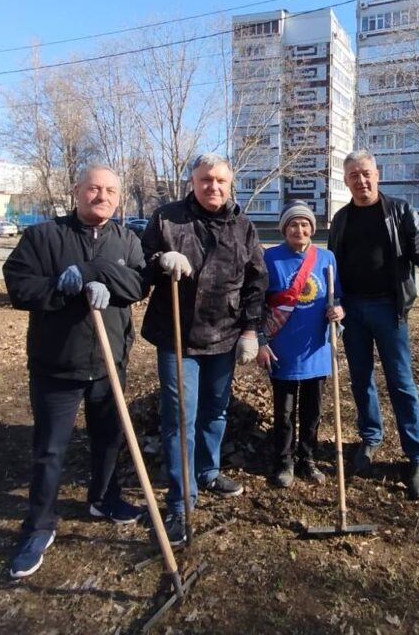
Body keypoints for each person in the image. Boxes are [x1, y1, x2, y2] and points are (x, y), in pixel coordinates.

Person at [2, 165, 149, 579]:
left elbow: (138, 285)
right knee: (50, 450)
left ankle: (103, 498)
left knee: (108, 440)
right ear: (77, 192)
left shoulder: (126, 239)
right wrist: (60, 288)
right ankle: (39, 526)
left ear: (118, 197)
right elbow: (19, 287)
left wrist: (94, 272)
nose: (101, 196)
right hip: (56, 365)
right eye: (93, 189)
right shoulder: (43, 237)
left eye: (110, 190)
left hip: (109, 363)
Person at [140, 153, 267, 544]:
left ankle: (207, 472)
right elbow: (139, 266)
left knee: (215, 411)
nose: (213, 186)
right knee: (180, 417)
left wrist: (250, 330)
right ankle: (180, 501)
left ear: (231, 184)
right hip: (178, 336)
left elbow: (256, 281)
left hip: (225, 334)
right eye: (205, 179)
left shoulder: (243, 226)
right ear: (192, 181)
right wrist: (161, 259)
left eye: (220, 181)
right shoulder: (167, 218)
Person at [327, 150, 419, 500]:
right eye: (354, 175)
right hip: (353, 310)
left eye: (366, 173)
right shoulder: (341, 219)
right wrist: (336, 302)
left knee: (401, 382)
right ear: (346, 181)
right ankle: (370, 437)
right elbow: (331, 264)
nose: (361, 180)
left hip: (390, 310)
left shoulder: (401, 210)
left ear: (378, 174)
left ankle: (416, 455)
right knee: (361, 380)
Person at [256, 200, 344, 488]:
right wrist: (260, 340)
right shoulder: (271, 259)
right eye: (293, 224)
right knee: (283, 412)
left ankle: (308, 458)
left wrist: (339, 311)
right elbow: (258, 302)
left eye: (305, 224)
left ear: (312, 229)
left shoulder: (327, 258)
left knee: (312, 410)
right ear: (284, 228)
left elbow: (338, 298)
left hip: (316, 348)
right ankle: (284, 461)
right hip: (282, 348)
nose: (300, 229)